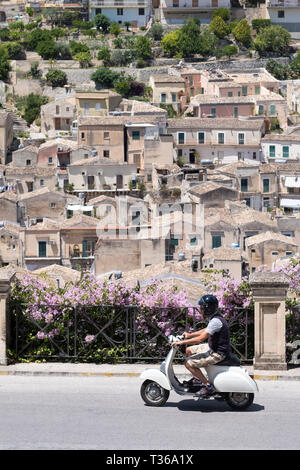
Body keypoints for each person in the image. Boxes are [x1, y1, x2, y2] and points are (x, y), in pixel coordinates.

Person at [172, 294, 231, 397]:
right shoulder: (214, 318)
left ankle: (208, 387)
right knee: (189, 351)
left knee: (188, 363)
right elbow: (206, 330)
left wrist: (181, 342)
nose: (200, 310)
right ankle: (198, 378)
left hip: (218, 353)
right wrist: (190, 335)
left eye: (202, 308)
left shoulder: (216, 321)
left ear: (207, 309)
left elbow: (200, 339)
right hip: (213, 347)